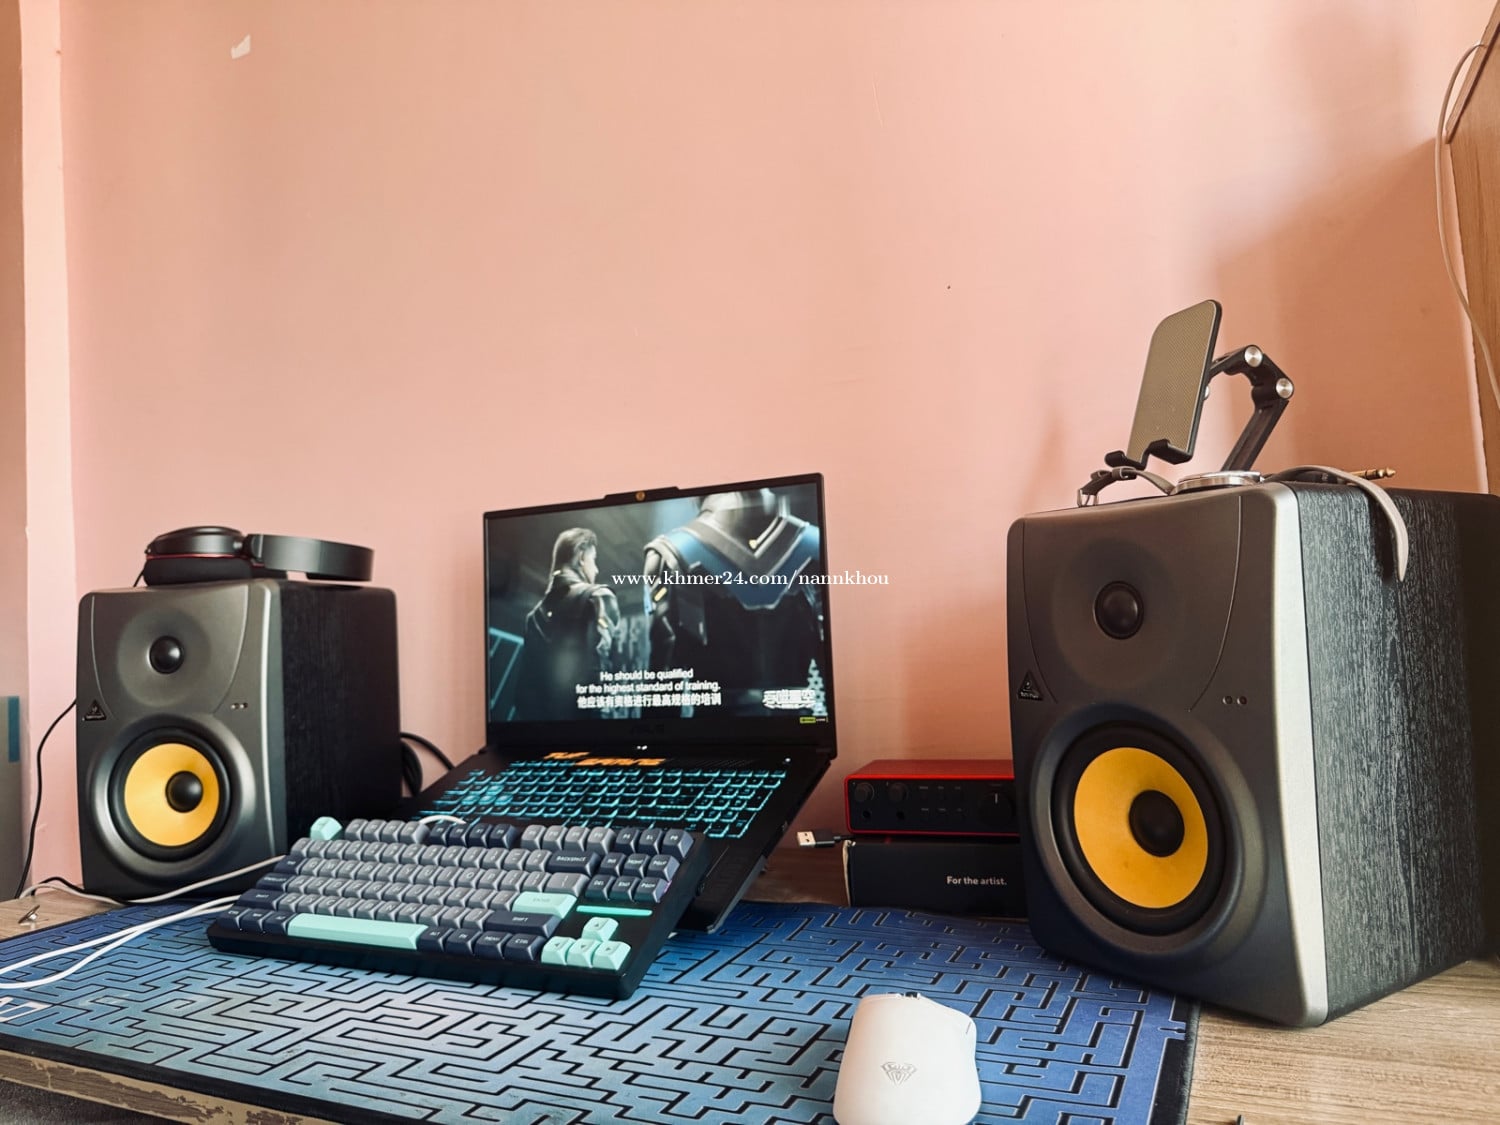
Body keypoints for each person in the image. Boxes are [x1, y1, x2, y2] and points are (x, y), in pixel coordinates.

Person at [512, 527, 620, 719]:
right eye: (593, 559)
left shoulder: (533, 617)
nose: (596, 569)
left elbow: (523, 694)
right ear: (581, 556)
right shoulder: (598, 597)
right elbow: (604, 671)